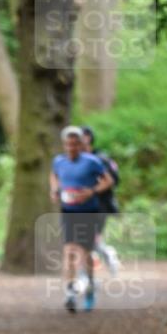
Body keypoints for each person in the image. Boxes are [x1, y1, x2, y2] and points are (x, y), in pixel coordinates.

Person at [50, 126, 114, 313]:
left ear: (81, 144)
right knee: (69, 251)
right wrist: (54, 190)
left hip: (88, 211)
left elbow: (108, 181)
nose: (72, 147)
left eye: (75, 144)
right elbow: (53, 176)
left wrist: (91, 192)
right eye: (68, 144)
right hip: (68, 210)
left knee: (85, 253)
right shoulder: (59, 162)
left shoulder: (92, 162)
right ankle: (70, 293)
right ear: (64, 145)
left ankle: (90, 288)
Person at [81, 126, 121, 275]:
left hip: (100, 205)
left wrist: (92, 190)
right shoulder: (75, 159)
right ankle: (106, 255)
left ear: (89, 138)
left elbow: (113, 180)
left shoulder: (101, 158)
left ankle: (90, 271)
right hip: (81, 205)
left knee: (91, 238)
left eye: (83, 136)